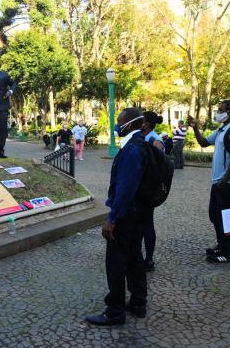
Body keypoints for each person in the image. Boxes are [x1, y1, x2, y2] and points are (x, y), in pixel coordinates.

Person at [85, 107, 149, 326]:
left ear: (129, 124)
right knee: (134, 258)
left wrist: (112, 219)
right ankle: (138, 303)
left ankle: (115, 311)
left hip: (126, 215)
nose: (116, 126)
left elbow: (125, 189)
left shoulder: (132, 149)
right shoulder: (142, 144)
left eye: (119, 122)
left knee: (115, 262)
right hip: (140, 213)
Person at [188, 100, 230, 263]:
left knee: (225, 218)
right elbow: (204, 142)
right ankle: (222, 244)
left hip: (225, 184)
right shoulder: (221, 130)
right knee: (215, 215)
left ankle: (227, 252)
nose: (217, 112)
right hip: (218, 183)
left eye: (220, 110)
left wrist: (224, 181)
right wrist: (195, 127)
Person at [141, 111, 164, 272]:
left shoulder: (156, 140)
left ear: (147, 123)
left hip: (147, 189)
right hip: (140, 187)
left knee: (147, 223)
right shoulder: (143, 137)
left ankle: (149, 259)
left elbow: (157, 166)